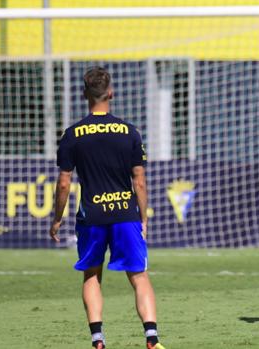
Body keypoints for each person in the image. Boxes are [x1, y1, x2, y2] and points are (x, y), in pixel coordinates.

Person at [50, 67, 165, 349]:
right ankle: (151, 338)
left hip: (92, 216)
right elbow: (139, 180)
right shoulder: (129, 132)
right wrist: (143, 218)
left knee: (91, 275)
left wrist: (57, 219)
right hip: (125, 214)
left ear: (83, 94)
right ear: (110, 93)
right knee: (139, 276)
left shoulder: (72, 134)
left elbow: (64, 183)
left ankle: (98, 340)